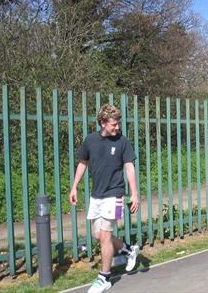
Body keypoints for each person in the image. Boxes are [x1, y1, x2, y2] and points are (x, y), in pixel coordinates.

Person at [69, 104, 140, 293]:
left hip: (115, 194)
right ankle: (127, 249)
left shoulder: (123, 142)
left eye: (118, 124)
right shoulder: (90, 140)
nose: (117, 127)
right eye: (114, 124)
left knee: (106, 236)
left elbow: (129, 167)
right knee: (98, 235)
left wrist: (134, 194)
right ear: (102, 123)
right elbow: (83, 163)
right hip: (97, 195)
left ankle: (104, 278)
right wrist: (74, 187)